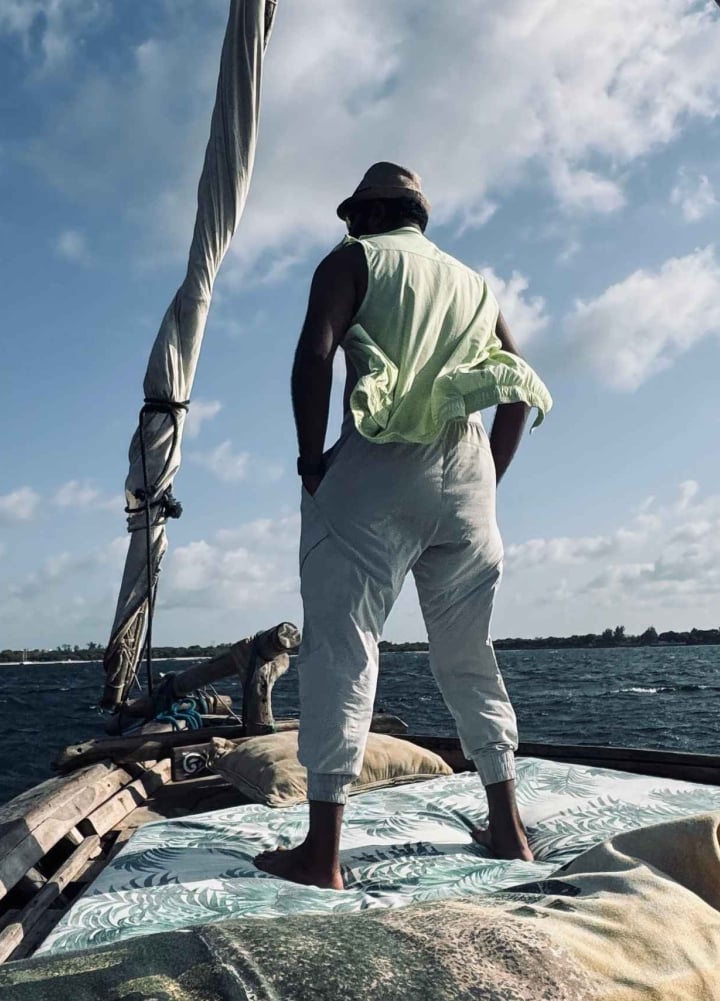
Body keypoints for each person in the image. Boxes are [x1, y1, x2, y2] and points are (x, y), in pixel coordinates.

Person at [256, 162, 553, 889]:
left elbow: (315, 354)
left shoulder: (352, 260)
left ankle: (321, 854)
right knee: (468, 654)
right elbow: (520, 390)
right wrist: (487, 483)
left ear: (370, 213)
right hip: (468, 481)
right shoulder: (473, 283)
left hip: (377, 469)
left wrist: (310, 461)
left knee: (341, 646)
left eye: (353, 214)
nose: (347, 225)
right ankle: (507, 828)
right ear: (419, 215)